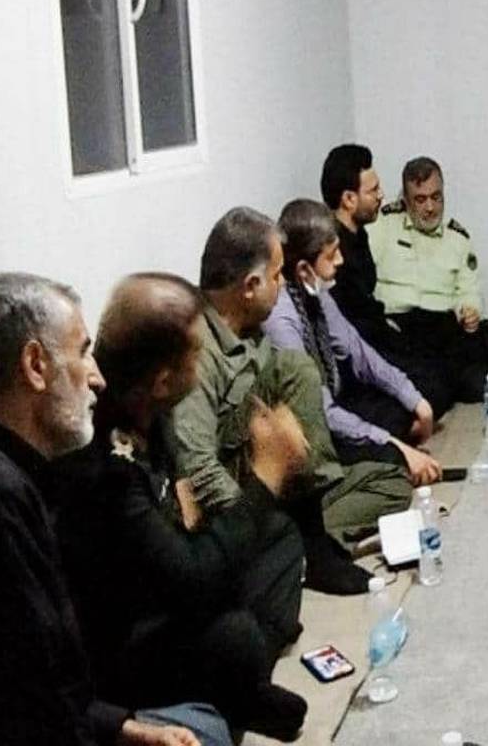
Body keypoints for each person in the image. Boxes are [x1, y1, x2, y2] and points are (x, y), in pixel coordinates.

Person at [0, 272, 232, 746]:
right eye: (82, 353)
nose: (97, 377)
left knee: (204, 721)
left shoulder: (6, 476)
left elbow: (41, 684)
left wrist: (125, 729)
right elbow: (19, 714)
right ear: (35, 366)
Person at [54, 273, 308, 741]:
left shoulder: (149, 409)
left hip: (163, 578)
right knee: (237, 634)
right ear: (163, 380)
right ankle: (230, 693)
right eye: (197, 353)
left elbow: (181, 509)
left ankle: (236, 685)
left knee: (281, 539)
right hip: (121, 642)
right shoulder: (103, 458)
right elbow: (190, 582)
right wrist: (267, 474)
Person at [164, 207, 412, 595]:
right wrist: (256, 516)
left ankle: (302, 540)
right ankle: (308, 546)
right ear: (250, 285)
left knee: (392, 479)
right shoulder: (194, 350)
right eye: (277, 276)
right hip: (241, 497)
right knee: (294, 367)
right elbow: (199, 469)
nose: (281, 286)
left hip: (282, 476)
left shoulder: (250, 327)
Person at [263, 198, 443, 484]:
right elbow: (318, 412)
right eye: (331, 254)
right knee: (390, 464)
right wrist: (392, 444)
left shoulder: (315, 291)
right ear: (303, 269)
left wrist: (416, 400)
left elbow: (358, 352)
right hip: (307, 431)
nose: (340, 261)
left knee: (412, 401)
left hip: (335, 402)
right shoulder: (281, 320)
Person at [320, 143, 455, 416]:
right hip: (359, 355)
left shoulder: (360, 234)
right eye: (373, 191)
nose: (381, 195)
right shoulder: (333, 252)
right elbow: (351, 335)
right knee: (435, 389)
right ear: (349, 199)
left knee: (441, 368)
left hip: (380, 336)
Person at [368, 156, 488, 403]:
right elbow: (363, 281)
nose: (430, 208)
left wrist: (470, 310)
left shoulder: (457, 237)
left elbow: (468, 289)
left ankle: (450, 375)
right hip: (400, 325)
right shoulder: (382, 226)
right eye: (420, 199)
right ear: (405, 200)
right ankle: (466, 377)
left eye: (436, 197)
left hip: (443, 326)